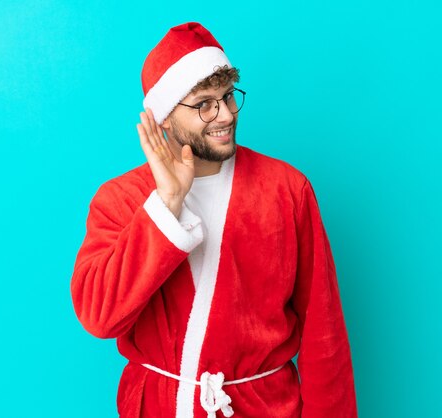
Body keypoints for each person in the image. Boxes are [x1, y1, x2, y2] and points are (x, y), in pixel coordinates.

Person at [70, 22, 358, 418]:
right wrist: (167, 203)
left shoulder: (287, 189)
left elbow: (324, 332)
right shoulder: (120, 199)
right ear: (165, 118)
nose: (224, 114)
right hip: (162, 407)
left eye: (227, 97)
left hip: (265, 406)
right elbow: (100, 316)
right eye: (203, 103)